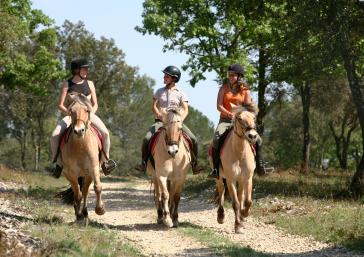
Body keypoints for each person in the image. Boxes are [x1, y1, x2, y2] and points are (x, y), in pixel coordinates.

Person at [50, 58, 117, 178]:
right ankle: (58, 164)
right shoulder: (67, 84)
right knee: (54, 135)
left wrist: (90, 115)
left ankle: (105, 163)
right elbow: (60, 105)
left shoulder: (90, 84)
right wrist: (69, 113)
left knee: (106, 134)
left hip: (89, 115)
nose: (87, 71)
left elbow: (95, 104)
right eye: (84, 69)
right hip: (71, 116)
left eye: (87, 69)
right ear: (76, 70)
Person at [134, 65, 204, 174]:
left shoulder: (181, 93)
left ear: (174, 79)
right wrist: (158, 114)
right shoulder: (159, 91)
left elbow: (186, 110)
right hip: (160, 122)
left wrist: (180, 120)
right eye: (164, 76)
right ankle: (143, 163)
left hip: (175, 123)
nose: (164, 78)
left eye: (166, 76)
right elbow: (154, 106)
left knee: (193, 139)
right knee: (146, 139)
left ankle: (195, 164)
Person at [208, 63, 253, 179]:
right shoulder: (223, 88)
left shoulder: (245, 91)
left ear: (239, 76)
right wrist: (230, 114)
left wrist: (240, 116)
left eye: (233, 75)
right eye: (229, 75)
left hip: (241, 121)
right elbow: (219, 106)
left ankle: (259, 164)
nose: (230, 77)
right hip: (225, 120)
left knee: (255, 138)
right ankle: (216, 169)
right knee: (216, 139)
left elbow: (247, 107)